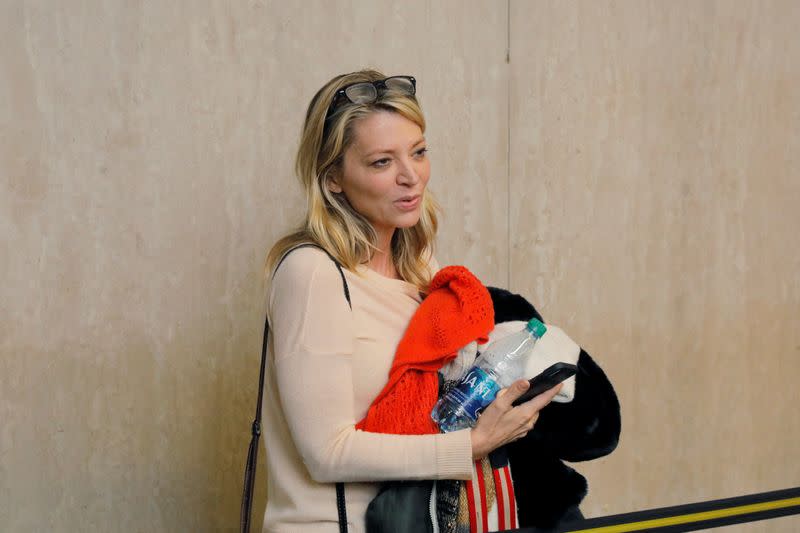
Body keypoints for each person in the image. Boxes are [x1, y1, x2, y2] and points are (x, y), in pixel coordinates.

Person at [261, 69, 562, 533]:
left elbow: (438, 411)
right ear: (334, 178)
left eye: (418, 153)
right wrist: (470, 447)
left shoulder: (423, 271)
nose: (410, 177)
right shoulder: (313, 273)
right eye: (382, 162)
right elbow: (326, 453)